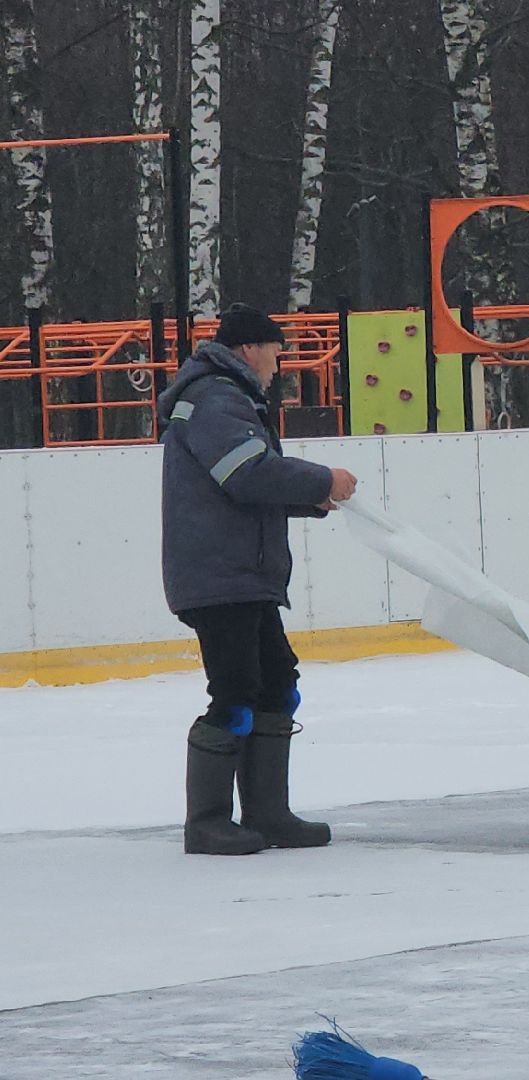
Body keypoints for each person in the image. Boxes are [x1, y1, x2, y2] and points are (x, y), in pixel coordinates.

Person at [157, 303, 359, 855]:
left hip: (243, 576)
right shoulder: (216, 399)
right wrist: (324, 477)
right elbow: (245, 474)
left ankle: (268, 814)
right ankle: (207, 823)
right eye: (276, 349)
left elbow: (242, 484)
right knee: (237, 693)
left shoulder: (230, 398)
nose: (280, 361)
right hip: (220, 577)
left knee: (277, 685)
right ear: (249, 348)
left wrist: (310, 499)